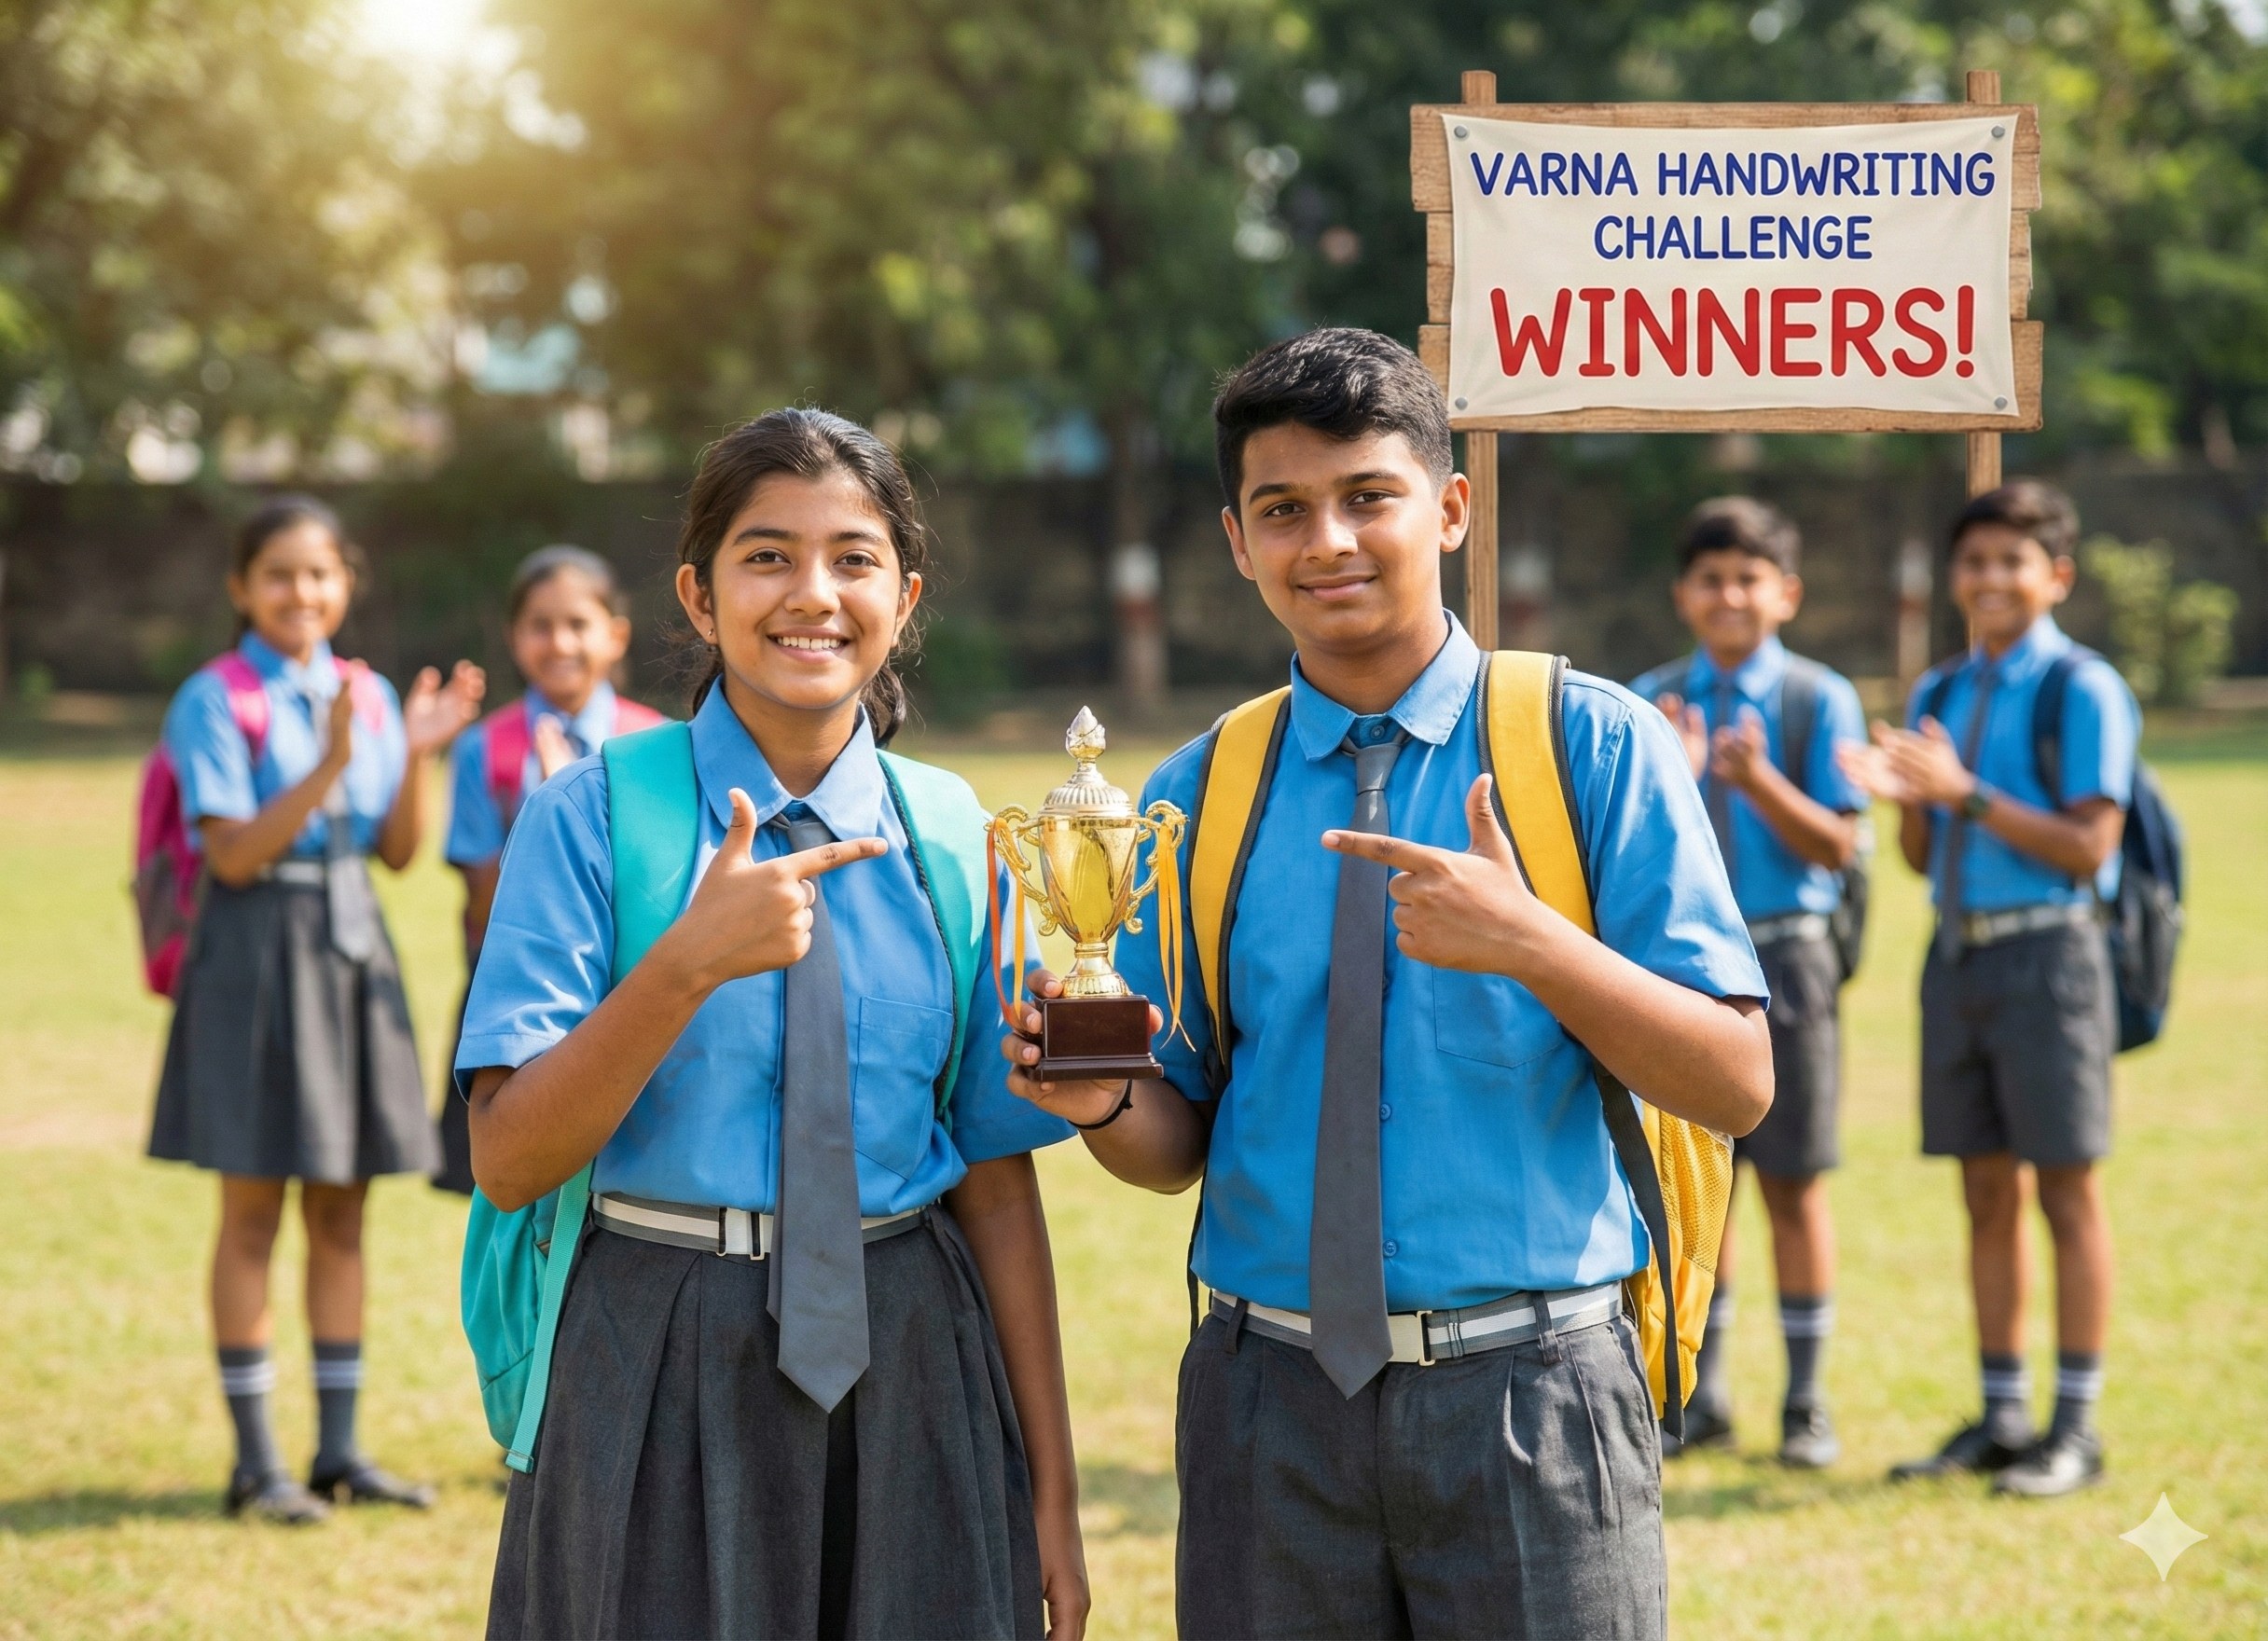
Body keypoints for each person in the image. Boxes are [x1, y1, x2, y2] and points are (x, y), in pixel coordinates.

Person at [1005, 329, 1774, 1639]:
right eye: (1284, 511)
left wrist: (1534, 941)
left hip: (1536, 1394)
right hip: (1268, 1405)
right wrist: (1096, 1102)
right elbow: (1174, 1143)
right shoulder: (1201, 792)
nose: (1330, 543)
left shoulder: (1588, 744)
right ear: (1239, 544)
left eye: (1370, 496)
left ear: (1452, 508)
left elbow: (1737, 1082)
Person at [459, 407, 1089, 1639]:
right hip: (653, 1346)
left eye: (855, 558)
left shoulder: (957, 836)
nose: (815, 593)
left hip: (912, 1352)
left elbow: (997, 1181)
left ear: (905, 596)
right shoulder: (586, 820)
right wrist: (684, 965)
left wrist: (1053, 1491)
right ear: (698, 597)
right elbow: (509, 1155)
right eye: (768, 555)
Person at [151, 494, 485, 1524]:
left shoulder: (369, 691)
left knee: (344, 1204)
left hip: (352, 952)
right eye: (281, 574)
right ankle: (259, 1464)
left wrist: (416, 749)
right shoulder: (215, 698)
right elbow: (237, 853)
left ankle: (338, 1450)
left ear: (348, 584)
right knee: (253, 1208)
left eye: (322, 574)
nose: (304, 592)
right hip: (255, 953)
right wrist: (332, 763)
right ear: (241, 588)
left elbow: (393, 853)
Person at [1842, 480, 2137, 1498]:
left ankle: (2077, 1423)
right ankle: (2002, 1411)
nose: (1989, 579)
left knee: (2064, 1185)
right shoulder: (1937, 693)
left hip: (2050, 955)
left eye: (2012, 560)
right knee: (1980, 1189)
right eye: (1973, 561)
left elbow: (2086, 846)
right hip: (1955, 955)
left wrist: (1961, 789)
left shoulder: (2081, 688)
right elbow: (1925, 856)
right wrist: (1900, 798)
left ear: (2054, 574)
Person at [1631, 497, 1867, 1469]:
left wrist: (1758, 778)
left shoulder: (1817, 698)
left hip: (1786, 953)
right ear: (1683, 593)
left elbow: (1839, 842)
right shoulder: (1648, 700)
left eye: (1748, 577)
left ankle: (1804, 1398)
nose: (1729, 595)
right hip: (1679, 965)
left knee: (1792, 1180)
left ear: (1785, 594)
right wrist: (1682, 773)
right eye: (1710, 578)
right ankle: (1697, 1383)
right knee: (1692, 1177)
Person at [432, 545, 666, 1197]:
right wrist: (547, 818)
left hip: (629, 995)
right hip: (513, 993)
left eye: (578, 623)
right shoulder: (487, 748)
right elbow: (481, 901)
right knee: (506, 1184)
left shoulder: (657, 744)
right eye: (540, 625)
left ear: (615, 636)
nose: (559, 641)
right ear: (514, 638)